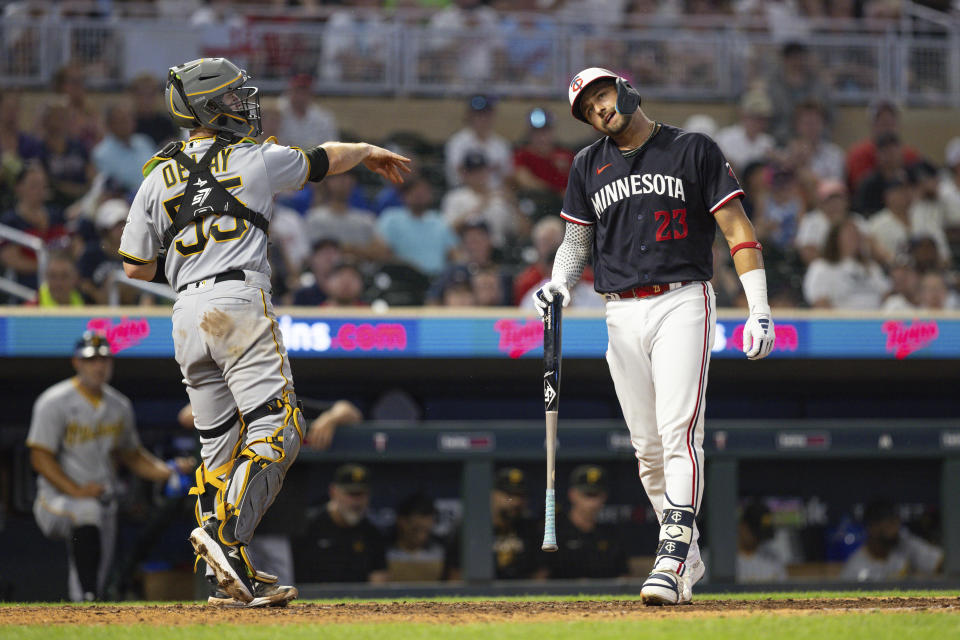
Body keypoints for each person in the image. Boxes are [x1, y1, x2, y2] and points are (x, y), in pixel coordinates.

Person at [119, 57, 409, 607]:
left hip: (185, 313)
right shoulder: (253, 158)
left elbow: (134, 265)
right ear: (208, 107)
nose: (241, 105)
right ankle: (228, 539)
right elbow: (325, 158)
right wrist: (369, 150)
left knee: (218, 449)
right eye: (230, 99)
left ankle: (228, 578)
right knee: (281, 429)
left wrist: (191, 270)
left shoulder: (157, 174)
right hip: (238, 303)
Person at [535, 67, 776, 606]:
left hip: (682, 297)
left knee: (678, 431)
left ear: (624, 88)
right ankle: (687, 555)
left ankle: (667, 557)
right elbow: (577, 242)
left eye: (602, 95)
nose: (598, 109)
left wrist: (758, 307)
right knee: (646, 451)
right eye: (587, 107)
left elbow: (737, 227)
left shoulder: (693, 149)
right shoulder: (586, 164)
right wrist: (558, 284)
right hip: (619, 311)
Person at [26, 332, 192, 601]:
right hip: (57, 499)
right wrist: (76, 490)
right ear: (77, 362)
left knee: (96, 574)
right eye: (91, 360)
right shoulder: (54, 401)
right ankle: (88, 597)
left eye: (104, 358)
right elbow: (39, 456)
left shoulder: (119, 405)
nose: (98, 365)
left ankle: (86, 610)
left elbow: (132, 455)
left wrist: (169, 470)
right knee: (86, 512)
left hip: (103, 498)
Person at [292, 464, 389, 583]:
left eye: (361, 494)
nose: (356, 502)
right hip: (311, 598)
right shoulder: (308, 526)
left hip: (358, 600)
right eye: (351, 494)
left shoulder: (372, 533)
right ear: (333, 492)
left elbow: (378, 582)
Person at [545, 465, 628, 580]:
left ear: (604, 496)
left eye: (596, 495)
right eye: (587, 495)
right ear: (572, 495)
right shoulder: (555, 533)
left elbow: (623, 578)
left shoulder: (611, 534)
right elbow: (541, 579)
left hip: (604, 596)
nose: (592, 503)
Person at [841, 501, 943, 582]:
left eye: (896, 521)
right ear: (872, 527)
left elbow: (942, 563)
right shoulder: (855, 567)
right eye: (890, 522)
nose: (896, 528)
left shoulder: (904, 543)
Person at [802, 217, 889, 309]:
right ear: (835, 238)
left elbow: (886, 295)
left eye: (857, 235)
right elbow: (820, 303)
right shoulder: (821, 267)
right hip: (841, 321)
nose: (855, 238)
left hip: (875, 319)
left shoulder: (871, 267)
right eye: (850, 234)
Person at [846, 99, 921, 191]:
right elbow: (858, 188)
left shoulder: (910, 155)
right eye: (883, 123)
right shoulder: (858, 155)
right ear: (872, 125)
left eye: (891, 123)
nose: (888, 128)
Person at [444, 94, 512, 189]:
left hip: (496, 194)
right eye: (478, 115)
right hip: (465, 193)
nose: (482, 119)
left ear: (492, 116)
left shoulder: (501, 144)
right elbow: (457, 172)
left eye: (486, 114)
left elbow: (508, 177)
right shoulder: (457, 142)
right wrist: (490, 169)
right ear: (469, 116)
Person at [91, 101, 155, 193]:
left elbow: (159, 168)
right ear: (110, 125)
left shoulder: (144, 141)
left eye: (129, 118)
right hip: (125, 200)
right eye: (121, 120)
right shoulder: (101, 153)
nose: (127, 123)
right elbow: (112, 187)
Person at [512, 107, 575, 197]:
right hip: (537, 201)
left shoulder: (566, 155)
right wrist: (556, 192)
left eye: (546, 131)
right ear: (529, 134)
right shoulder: (522, 155)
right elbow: (524, 180)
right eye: (537, 132)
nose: (541, 137)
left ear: (553, 132)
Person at [386, 492, 449, 582]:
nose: (421, 536)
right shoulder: (385, 551)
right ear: (402, 521)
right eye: (416, 529)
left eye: (426, 530)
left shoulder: (441, 551)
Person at [713, 88, 775, 173]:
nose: (758, 122)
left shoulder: (767, 142)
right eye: (754, 117)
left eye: (762, 118)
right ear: (743, 115)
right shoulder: (724, 137)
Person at [736, 501, 787, 583]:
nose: (758, 539)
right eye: (755, 534)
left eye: (761, 535)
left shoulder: (773, 558)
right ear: (743, 526)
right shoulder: (721, 559)